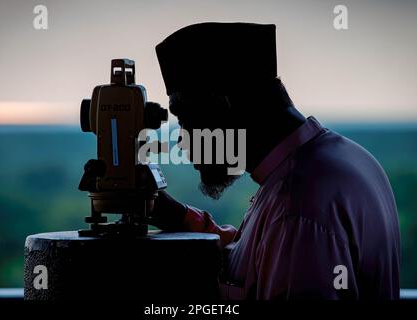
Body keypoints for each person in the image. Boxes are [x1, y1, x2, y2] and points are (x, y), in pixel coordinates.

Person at [149, 22, 401, 300]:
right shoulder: (342, 159)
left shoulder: (297, 205)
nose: (183, 140)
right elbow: (254, 256)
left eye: (185, 120)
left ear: (221, 108)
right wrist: (173, 214)